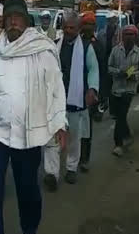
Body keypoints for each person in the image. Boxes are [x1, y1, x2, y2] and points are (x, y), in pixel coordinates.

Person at [0, 0, 67, 234]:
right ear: (3, 21)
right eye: (9, 18)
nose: (13, 22)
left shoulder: (43, 49)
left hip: (28, 135)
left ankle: (29, 231)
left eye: (19, 18)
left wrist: (60, 124)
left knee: (27, 188)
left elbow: (56, 89)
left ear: (27, 21)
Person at [42, 12, 99, 190]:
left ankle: (71, 167)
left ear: (79, 29)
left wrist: (92, 89)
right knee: (52, 138)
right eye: (65, 27)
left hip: (75, 101)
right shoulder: (55, 45)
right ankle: (52, 173)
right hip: (55, 101)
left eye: (72, 28)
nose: (68, 30)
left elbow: (93, 69)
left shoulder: (87, 48)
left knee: (74, 138)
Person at [108, 25, 139, 157]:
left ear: (136, 36)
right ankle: (126, 133)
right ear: (122, 36)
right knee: (116, 115)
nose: (129, 37)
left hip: (129, 89)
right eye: (126, 34)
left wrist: (134, 75)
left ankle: (118, 144)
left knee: (121, 116)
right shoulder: (116, 50)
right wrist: (118, 72)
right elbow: (109, 66)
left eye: (131, 34)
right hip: (116, 88)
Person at [78, 11, 107, 171]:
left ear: (94, 26)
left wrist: (101, 94)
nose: (88, 27)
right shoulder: (75, 42)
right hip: (75, 91)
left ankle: (84, 159)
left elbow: (101, 71)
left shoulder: (98, 45)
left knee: (86, 128)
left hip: (90, 92)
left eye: (91, 24)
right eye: (85, 24)